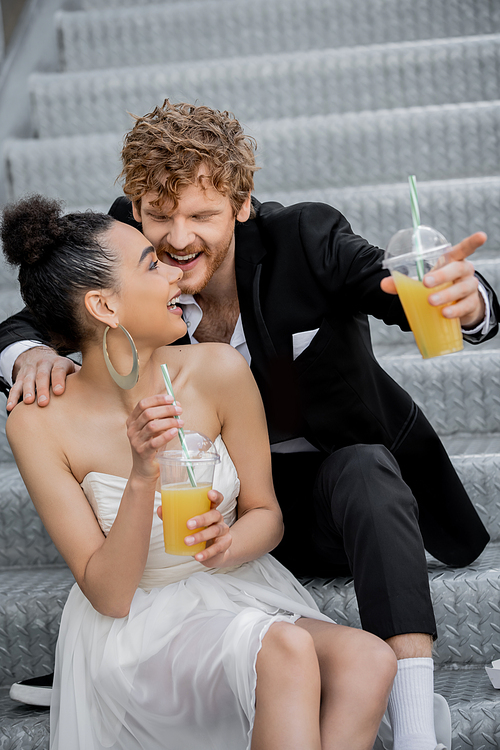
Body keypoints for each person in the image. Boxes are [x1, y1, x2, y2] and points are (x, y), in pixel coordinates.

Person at [3, 101, 498, 749]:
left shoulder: (305, 241)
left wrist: (467, 303)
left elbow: (394, 288)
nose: (177, 241)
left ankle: (412, 717)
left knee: (367, 468)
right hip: (187, 525)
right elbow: (54, 299)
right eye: (159, 218)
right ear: (135, 207)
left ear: (242, 206)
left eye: (202, 216)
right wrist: (28, 354)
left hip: (308, 500)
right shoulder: (126, 248)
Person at [1, 194, 397, 750]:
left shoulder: (218, 370)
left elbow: (267, 515)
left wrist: (227, 545)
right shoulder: (38, 423)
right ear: (105, 307)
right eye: (149, 263)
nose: (173, 271)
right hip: (135, 627)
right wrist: (143, 474)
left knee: (370, 660)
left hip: (233, 591)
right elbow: (110, 595)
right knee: (283, 650)